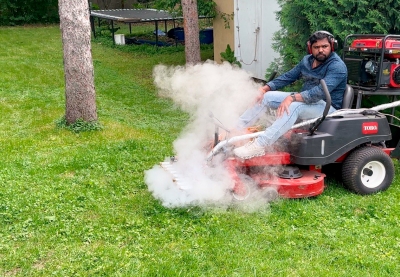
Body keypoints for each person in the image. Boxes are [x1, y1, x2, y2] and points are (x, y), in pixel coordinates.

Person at [233, 30, 348, 159]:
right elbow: (288, 76)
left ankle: (259, 145)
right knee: (266, 97)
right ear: (310, 48)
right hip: (307, 101)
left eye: (324, 46)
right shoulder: (307, 61)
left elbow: (318, 93)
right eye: (316, 47)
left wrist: (292, 98)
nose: (321, 50)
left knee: (293, 106)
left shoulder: (337, 66)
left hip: (328, 106)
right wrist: (264, 89)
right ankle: (233, 132)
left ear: (332, 47)